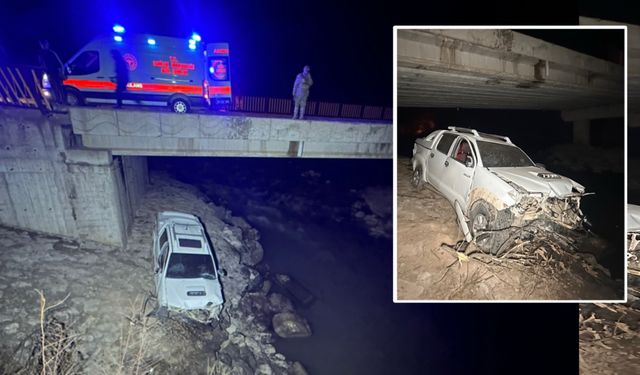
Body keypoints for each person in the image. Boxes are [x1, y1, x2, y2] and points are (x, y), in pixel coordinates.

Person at [38, 39, 65, 105]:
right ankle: (58, 100)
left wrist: (61, 72)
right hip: (51, 73)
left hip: (53, 73)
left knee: (57, 87)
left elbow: (60, 64)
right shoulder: (44, 54)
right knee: (55, 88)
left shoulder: (49, 53)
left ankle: (60, 101)